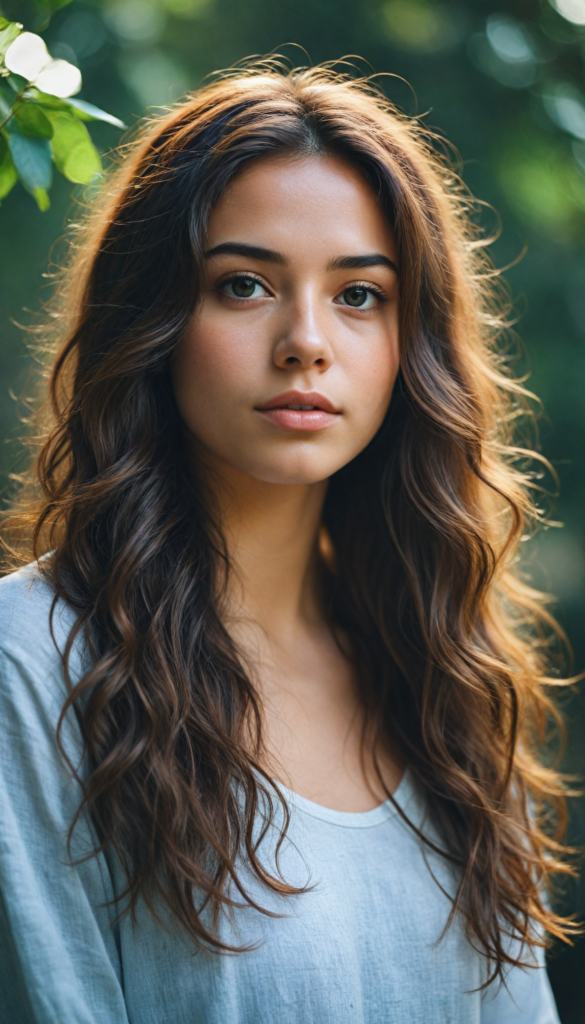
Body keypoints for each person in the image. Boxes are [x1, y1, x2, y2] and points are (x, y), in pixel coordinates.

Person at [0, 62, 574, 1023]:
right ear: (153, 318)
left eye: (359, 295)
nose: (306, 340)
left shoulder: (444, 683)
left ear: (411, 344)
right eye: (244, 285)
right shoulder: (33, 665)